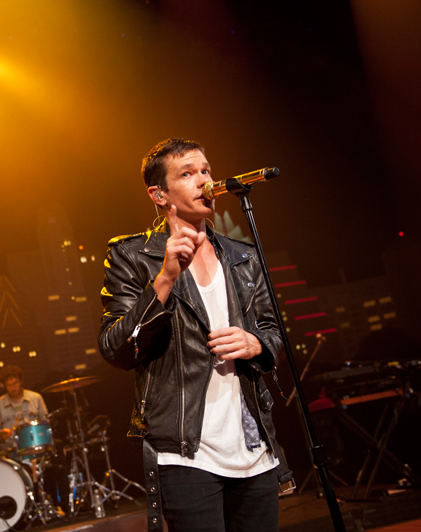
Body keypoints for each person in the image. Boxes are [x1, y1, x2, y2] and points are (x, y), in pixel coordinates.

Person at [98, 138, 294, 532]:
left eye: (205, 170)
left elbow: (274, 333)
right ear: (159, 194)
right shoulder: (131, 256)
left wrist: (256, 344)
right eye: (187, 174)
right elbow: (116, 348)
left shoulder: (243, 256)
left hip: (253, 448)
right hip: (185, 453)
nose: (204, 181)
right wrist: (166, 278)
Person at [0, 365, 48, 454]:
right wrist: (1, 435)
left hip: (36, 445)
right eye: (9, 385)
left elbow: (46, 424)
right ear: (4, 386)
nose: (13, 388)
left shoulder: (36, 398)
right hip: (10, 450)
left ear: (21, 381)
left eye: (15, 383)